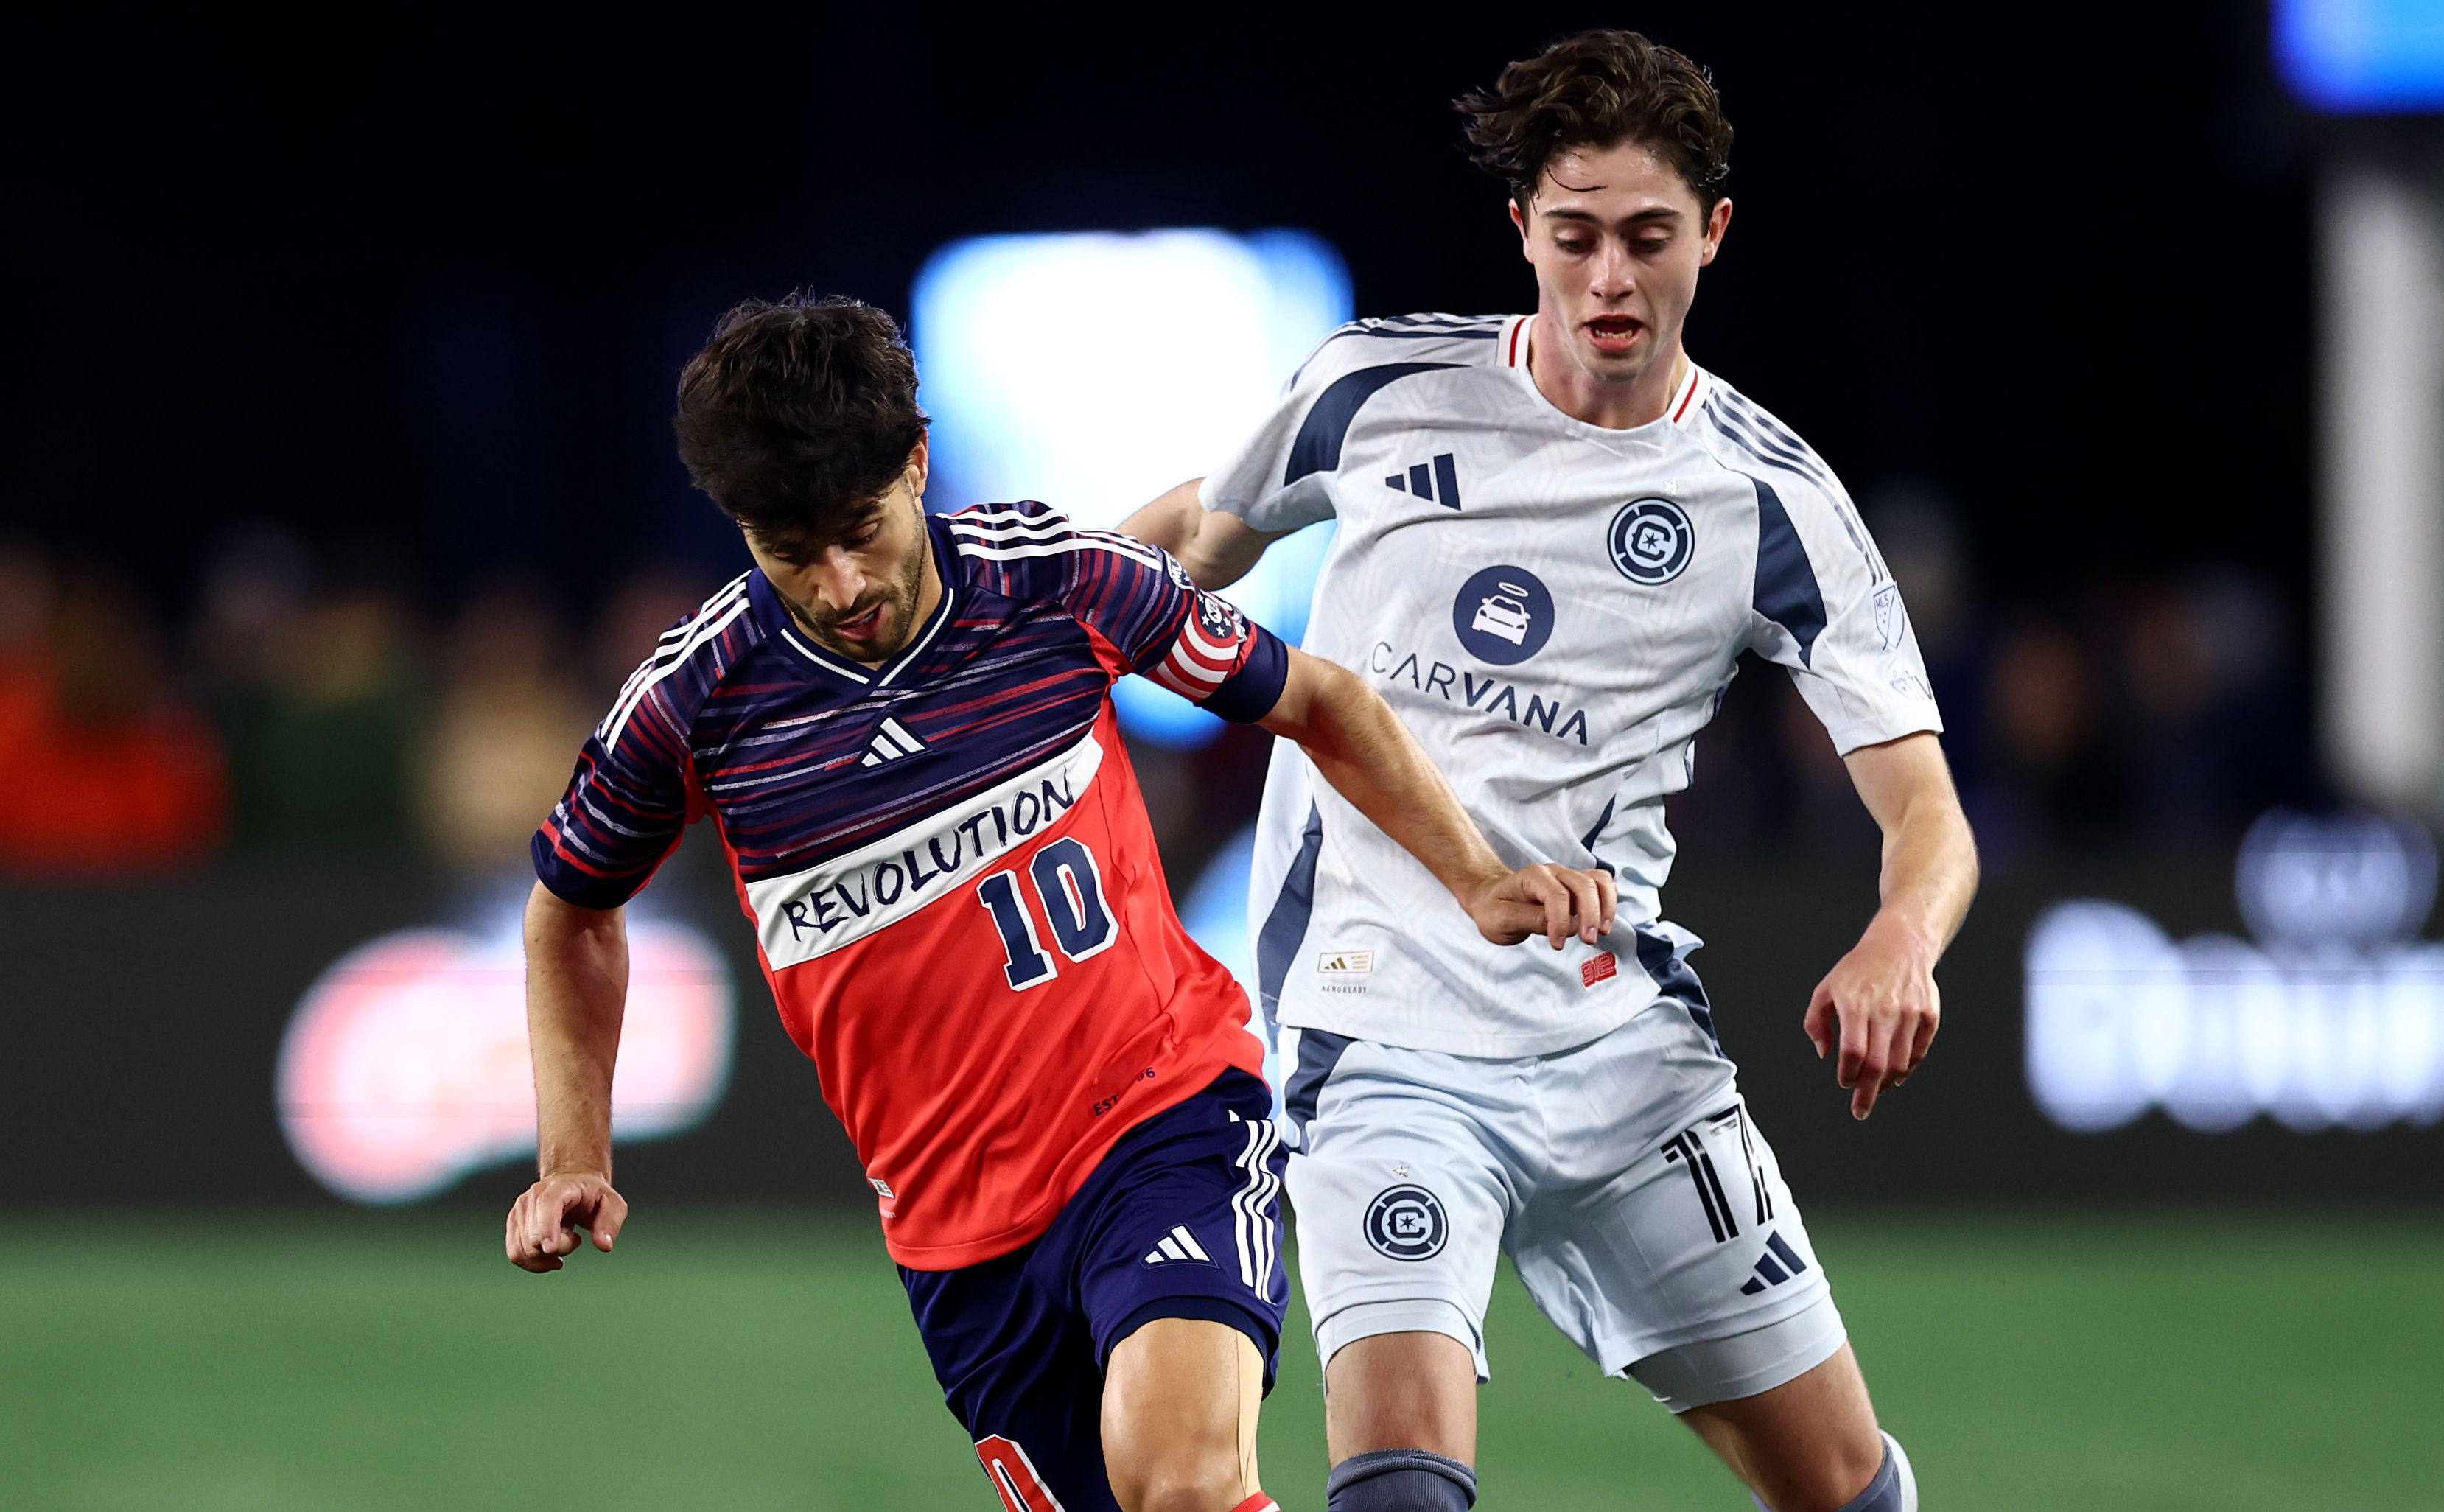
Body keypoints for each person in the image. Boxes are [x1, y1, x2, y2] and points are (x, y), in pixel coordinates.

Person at [506, 295, 1611, 1512]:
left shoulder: (1058, 585)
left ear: (915, 464)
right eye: (787, 547)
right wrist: (575, 1153)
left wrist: (1482, 881)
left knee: (1181, 1484)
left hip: (1164, 1117)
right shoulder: (693, 704)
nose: (838, 582)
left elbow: (1321, 702)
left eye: (861, 528)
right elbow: (571, 908)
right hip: (956, 1240)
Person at [1121, 32, 1978, 1512]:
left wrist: (1902, 939)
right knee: (1398, 1485)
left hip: (1617, 1048)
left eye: (1648, 238)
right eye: (1573, 236)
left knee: (1848, 1491)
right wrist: (994, 619)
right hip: (1371, 1025)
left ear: (1712, 233)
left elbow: (1927, 813)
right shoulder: (1373, 391)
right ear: (1520, 228)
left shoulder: (1769, 499)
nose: (1607, 283)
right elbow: (1188, 543)